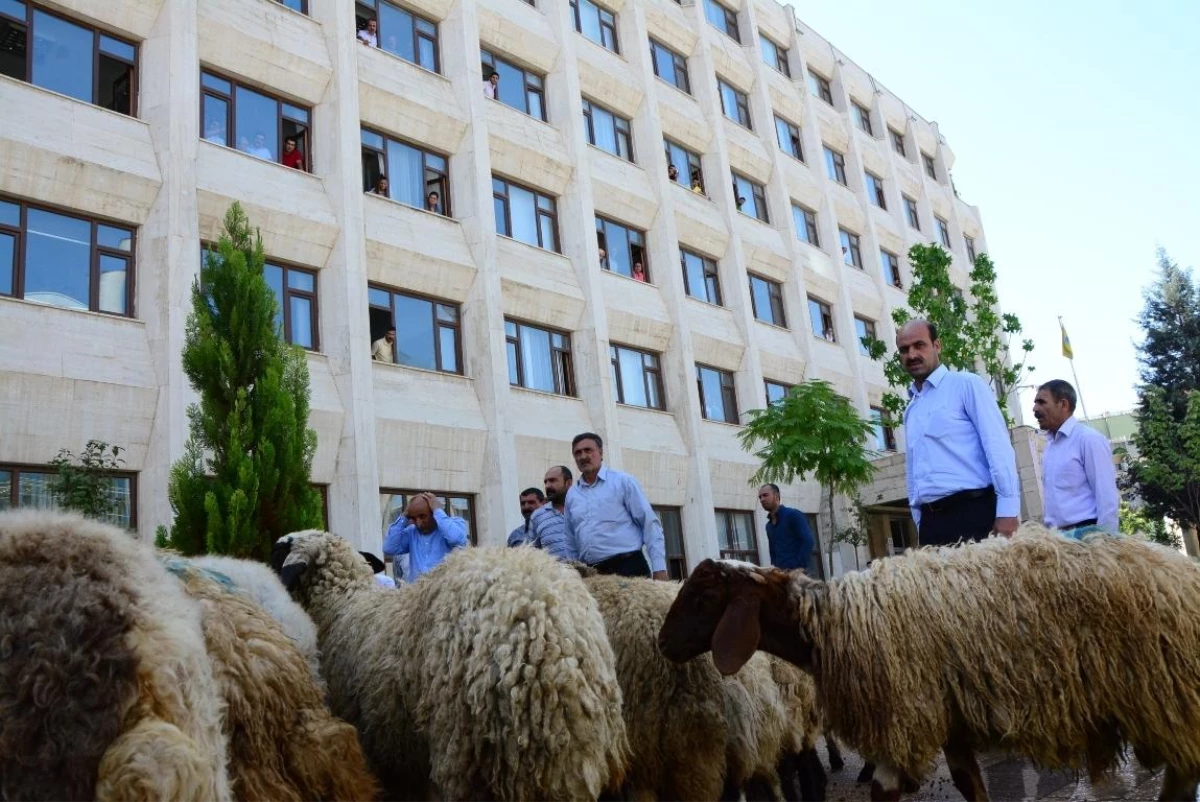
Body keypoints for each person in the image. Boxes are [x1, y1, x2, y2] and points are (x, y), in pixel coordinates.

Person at [898, 319, 1020, 545]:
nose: (911, 354)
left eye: (919, 345)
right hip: (932, 525)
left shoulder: (966, 385)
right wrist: (919, 519)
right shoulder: (911, 408)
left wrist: (1007, 510)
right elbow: (914, 468)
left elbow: (997, 447)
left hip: (974, 514)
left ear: (937, 346)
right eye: (904, 350)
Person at [564, 432, 667, 579]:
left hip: (628, 568)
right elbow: (570, 539)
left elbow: (649, 523)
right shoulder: (572, 494)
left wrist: (659, 568)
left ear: (600, 452)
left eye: (588, 450)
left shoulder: (623, 482)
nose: (583, 456)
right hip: (591, 575)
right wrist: (574, 573)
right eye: (578, 453)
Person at [1033, 379, 1119, 537]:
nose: (1035, 409)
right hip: (1058, 540)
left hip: (1088, 537)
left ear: (1063, 404)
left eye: (1042, 402)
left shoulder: (1089, 440)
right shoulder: (1050, 446)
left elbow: (1106, 496)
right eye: (1035, 403)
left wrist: (1107, 543)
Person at [383, 492, 468, 582]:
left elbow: (456, 538)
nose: (418, 523)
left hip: (443, 591)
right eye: (414, 518)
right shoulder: (411, 532)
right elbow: (389, 548)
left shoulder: (456, 523)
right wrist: (404, 515)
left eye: (422, 516)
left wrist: (437, 510)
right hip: (417, 592)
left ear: (433, 512)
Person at [757, 483, 814, 574]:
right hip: (781, 577)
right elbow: (773, 552)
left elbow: (808, 541)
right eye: (760, 497)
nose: (762, 499)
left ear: (776, 496)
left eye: (765, 495)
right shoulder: (769, 526)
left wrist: (798, 567)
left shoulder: (793, 515)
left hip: (800, 575)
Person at [529, 466, 575, 561]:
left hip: (589, 574)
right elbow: (532, 554)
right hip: (555, 574)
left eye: (553, 481)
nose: (547, 486)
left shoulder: (584, 509)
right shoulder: (537, 516)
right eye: (545, 482)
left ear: (568, 483)